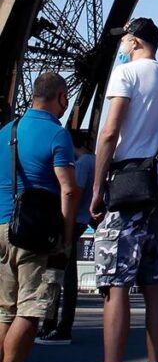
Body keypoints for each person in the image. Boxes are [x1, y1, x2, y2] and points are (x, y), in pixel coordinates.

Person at [62, 18, 158, 362]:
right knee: (155, 285)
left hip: (128, 184)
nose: (123, 46)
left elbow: (109, 133)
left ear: (134, 40)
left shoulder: (126, 73)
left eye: (125, 40)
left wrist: (97, 189)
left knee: (115, 284)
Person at [0, 73, 79, 362]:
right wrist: (66, 236)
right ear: (61, 97)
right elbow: (69, 189)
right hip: (34, 232)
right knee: (32, 310)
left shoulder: (6, 132)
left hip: (2, 225)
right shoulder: (57, 135)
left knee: (4, 310)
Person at [36, 129, 94, 346]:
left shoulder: (82, 164)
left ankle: (54, 324)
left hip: (71, 220)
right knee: (67, 275)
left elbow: (72, 193)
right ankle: (57, 324)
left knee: (59, 275)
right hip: (83, 219)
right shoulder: (93, 161)